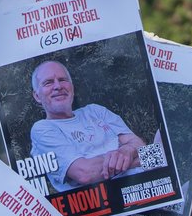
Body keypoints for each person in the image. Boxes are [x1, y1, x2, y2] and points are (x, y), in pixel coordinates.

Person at [26, 60, 160, 193]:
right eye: (48, 82)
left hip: (150, 185)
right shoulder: (42, 129)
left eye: (62, 80)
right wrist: (141, 158)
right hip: (110, 204)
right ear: (37, 96)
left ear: (72, 87)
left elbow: (137, 143)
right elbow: (85, 174)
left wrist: (126, 151)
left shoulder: (96, 111)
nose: (58, 86)